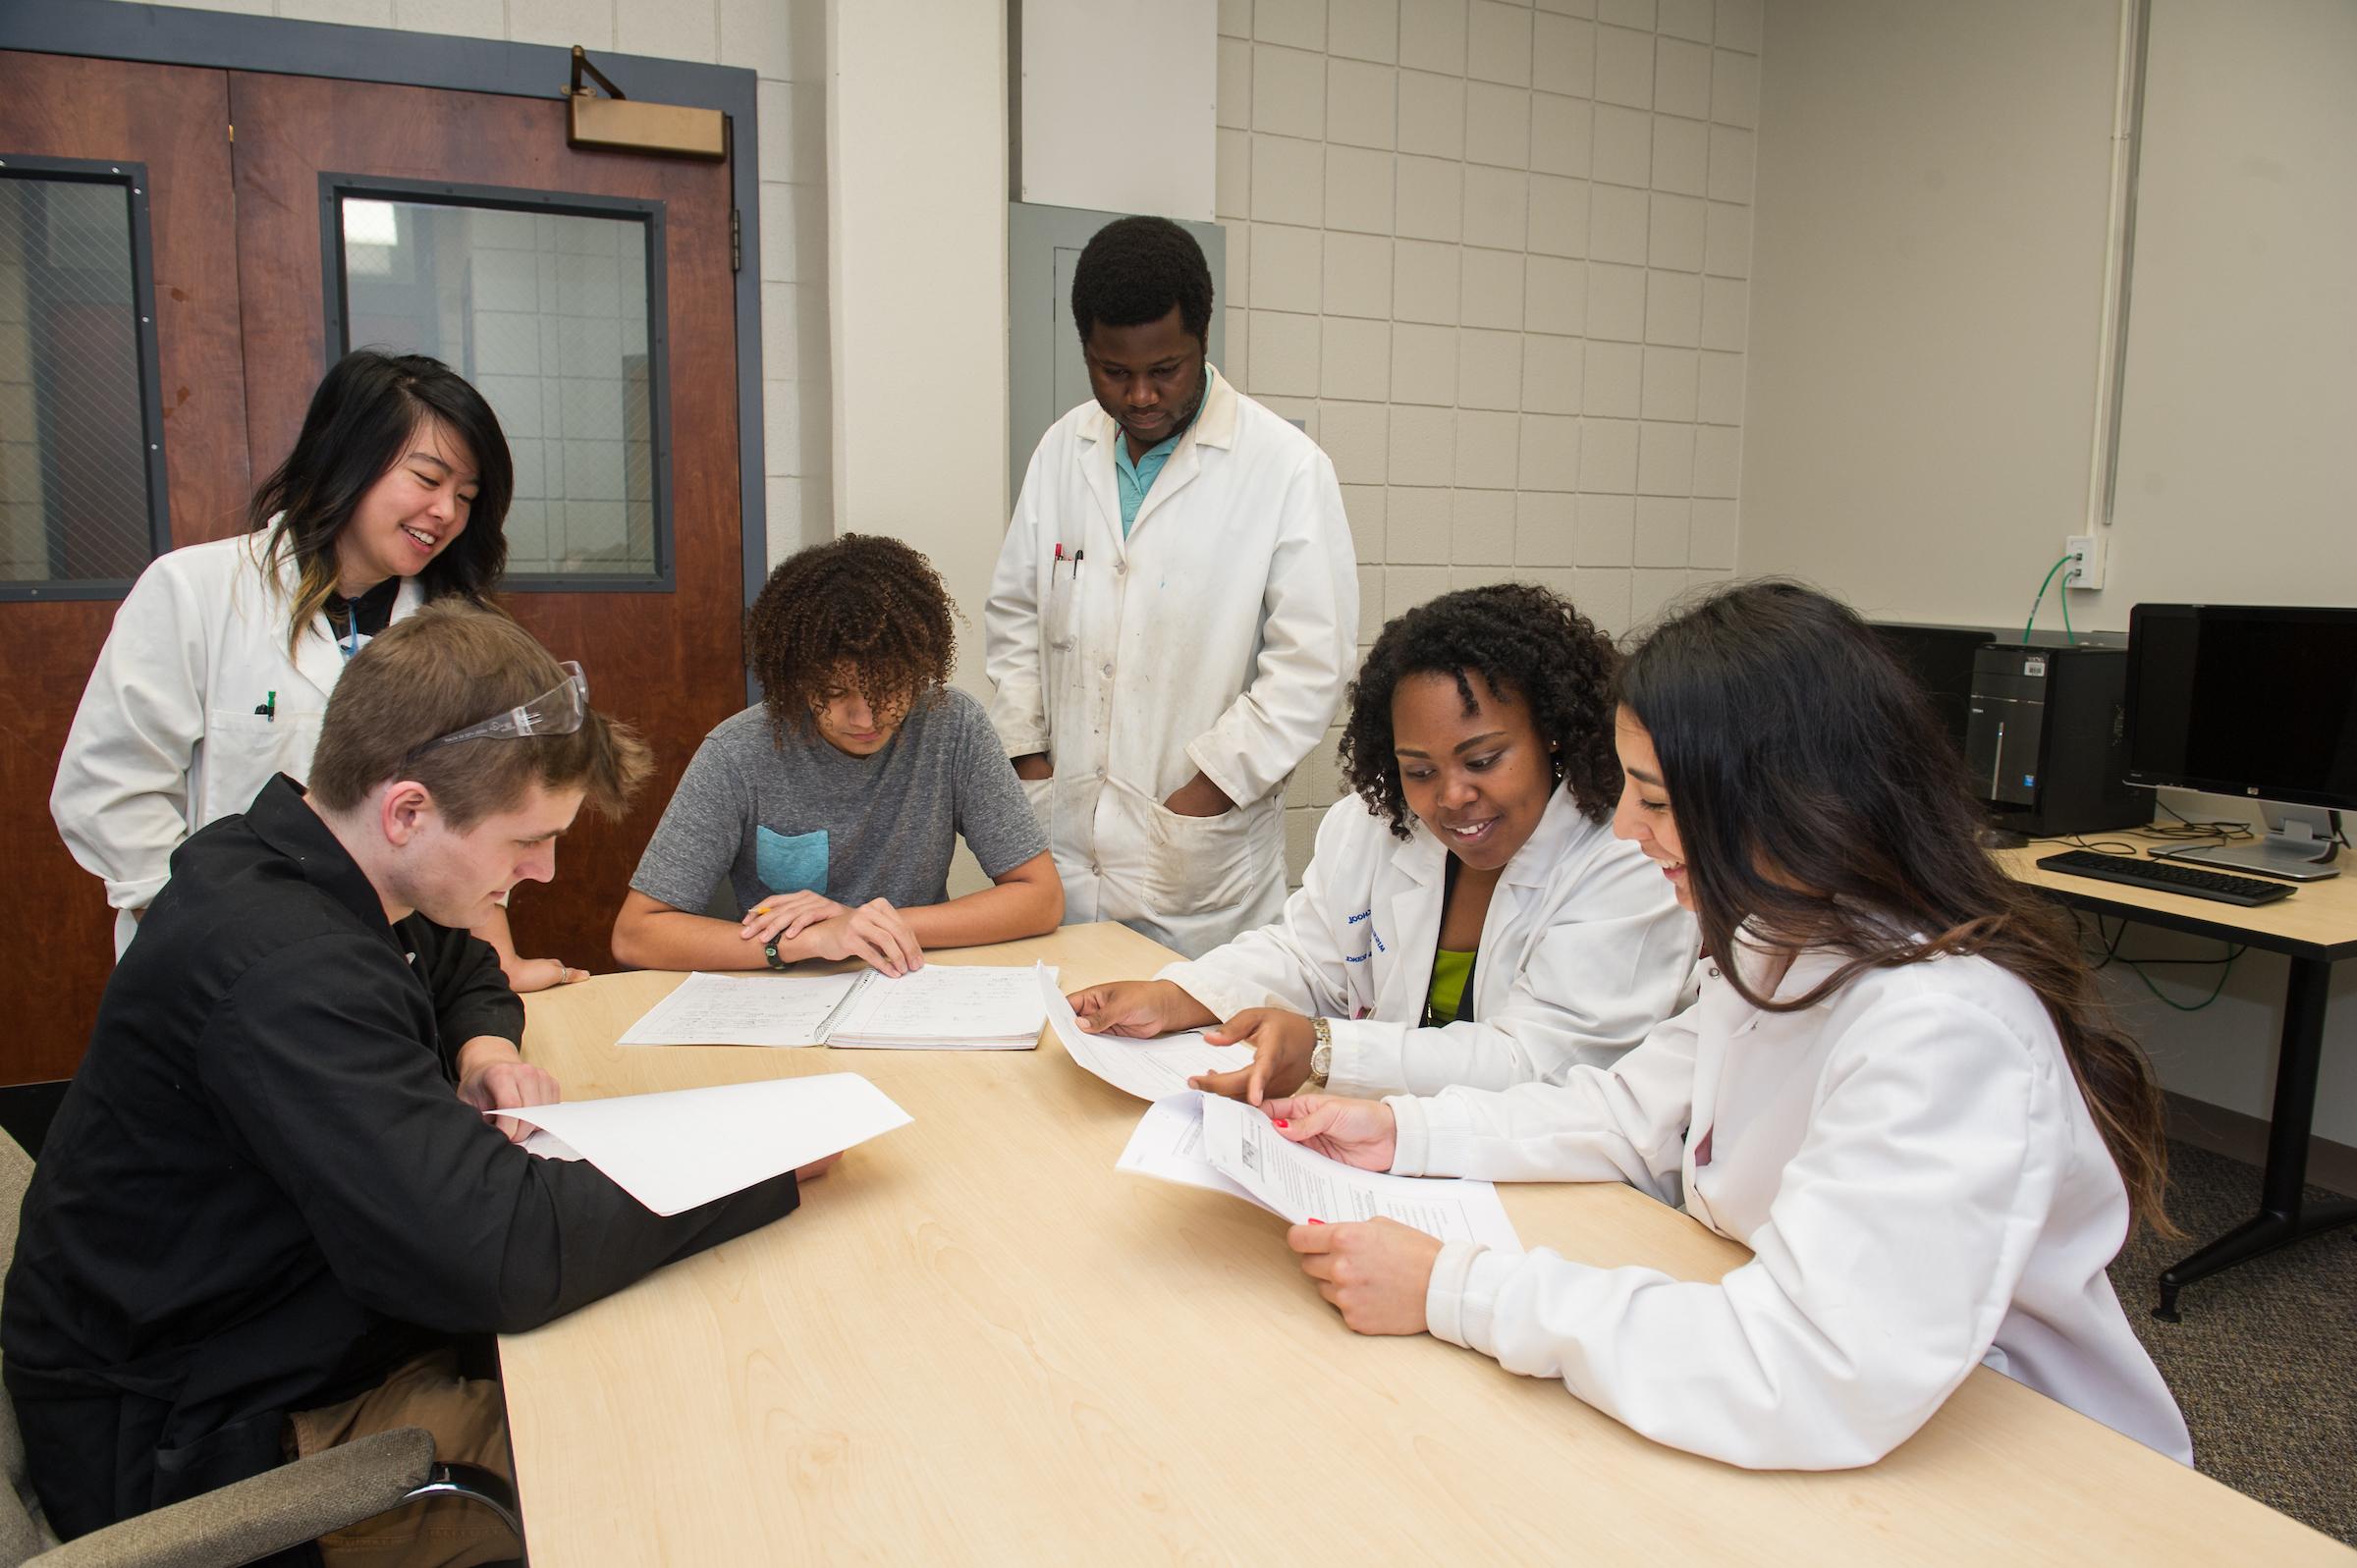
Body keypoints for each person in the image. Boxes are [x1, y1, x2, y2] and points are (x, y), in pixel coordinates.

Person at [1259, 581, 2193, 1470]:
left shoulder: (1944, 1027)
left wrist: (1454, 1288)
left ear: (1788, 796)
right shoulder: (1778, 942)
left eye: (1657, 801)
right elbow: (1628, 1114)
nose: (1625, 829)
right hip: (1870, 1407)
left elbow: (1806, 1366)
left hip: (2025, 1459)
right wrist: (1399, 1129)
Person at [3, 605, 835, 1562]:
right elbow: (499, 1252)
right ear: (406, 809)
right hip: (198, 1436)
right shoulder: (287, 967)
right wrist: (753, 1164)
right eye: (526, 840)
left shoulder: (309, 861)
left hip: (248, 1332)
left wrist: (482, 1048)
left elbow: (461, 966)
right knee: (663, 1471)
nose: (544, 869)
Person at [51, 348, 576, 990]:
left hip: (399, 975)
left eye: (466, 496)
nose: (446, 512)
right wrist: (208, 932)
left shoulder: (462, 633)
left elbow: (480, 819)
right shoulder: (198, 590)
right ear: (347, 457)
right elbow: (107, 788)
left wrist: (493, 971)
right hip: (220, 970)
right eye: (427, 478)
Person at [1066, 584, 1695, 1103]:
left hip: (1558, 1179)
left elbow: (1538, 1063)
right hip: (1387, 1150)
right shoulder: (1376, 825)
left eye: (1483, 760)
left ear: (1552, 733)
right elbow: (1308, 959)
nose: (1451, 796)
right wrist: (1179, 997)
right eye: (1418, 770)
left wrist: (1325, 1050)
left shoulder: (1630, 855)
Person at [984, 215, 1357, 958]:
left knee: (1186, 1057)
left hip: (1198, 872)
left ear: (1205, 340)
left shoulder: (1285, 468)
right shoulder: (1065, 448)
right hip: (1060, 856)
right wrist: (1031, 765)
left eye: (1166, 369)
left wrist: (1200, 798)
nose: (1141, 395)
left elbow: (1309, 671)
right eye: (1113, 372)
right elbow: (1015, 617)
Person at [613, 533, 1061, 975]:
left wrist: (867, 925)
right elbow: (637, 935)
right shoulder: (738, 753)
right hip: (783, 993)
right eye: (834, 692)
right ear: (796, 679)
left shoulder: (953, 726)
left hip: (909, 984)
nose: (865, 718)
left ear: (920, 668)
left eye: (889, 689)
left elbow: (1040, 898)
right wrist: (803, 942)